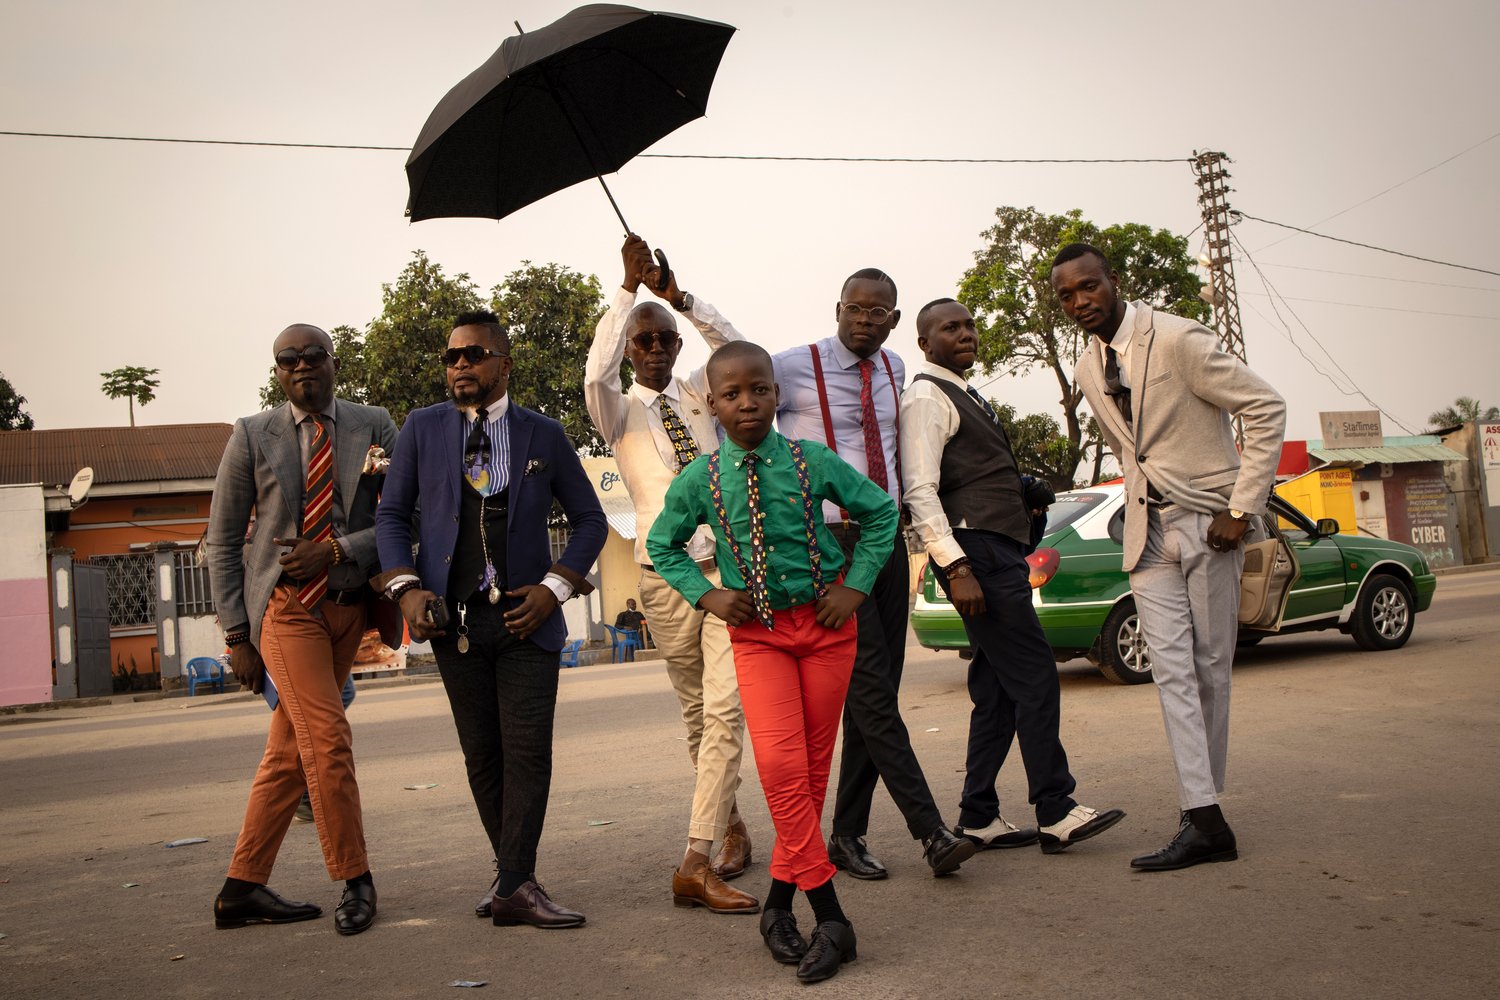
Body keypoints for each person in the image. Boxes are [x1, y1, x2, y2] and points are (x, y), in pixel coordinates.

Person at [648, 340, 899, 983]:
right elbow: (662, 544)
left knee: (809, 776)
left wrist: (856, 585)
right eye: (730, 394)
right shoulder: (700, 478)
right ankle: (832, 914)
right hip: (757, 635)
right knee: (782, 765)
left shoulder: (812, 461)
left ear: (776, 393)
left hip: (825, 627)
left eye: (758, 389)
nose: (747, 402)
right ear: (712, 403)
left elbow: (879, 513)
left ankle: (779, 906)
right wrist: (707, 594)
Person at [1050, 244, 1286, 871]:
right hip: (1146, 533)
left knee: (1210, 666)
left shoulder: (1180, 339)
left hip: (1210, 526)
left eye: (1088, 287)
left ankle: (1204, 814)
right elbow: (1133, 451)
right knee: (1172, 671)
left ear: (1114, 282)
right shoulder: (1085, 369)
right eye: (1067, 296)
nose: (1079, 302)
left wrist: (1241, 508)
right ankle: (1203, 816)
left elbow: (1265, 408)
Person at [374, 310, 607, 925]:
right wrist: (405, 588)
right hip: (454, 623)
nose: (460, 366)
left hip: (527, 622)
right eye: (451, 357)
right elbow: (393, 516)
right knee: (482, 754)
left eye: (474, 354)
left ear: (504, 363)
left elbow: (590, 520)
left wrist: (555, 588)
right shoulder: (422, 429)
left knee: (527, 753)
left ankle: (513, 882)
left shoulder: (544, 434)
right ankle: (513, 878)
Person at [900, 298, 1126, 858]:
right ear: (925, 343)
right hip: (975, 553)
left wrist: (1021, 490)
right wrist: (955, 566)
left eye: (970, 324)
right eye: (950, 328)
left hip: (994, 547)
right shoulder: (927, 395)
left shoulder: (961, 392)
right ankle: (1055, 807)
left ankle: (979, 816)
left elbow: (967, 472)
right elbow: (920, 490)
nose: (966, 333)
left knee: (997, 689)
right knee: (1033, 676)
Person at [771, 269, 974, 880]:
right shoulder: (792, 365)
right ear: (838, 308)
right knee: (870, 692)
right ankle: (931, 832)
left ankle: (847, 834)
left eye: (878, 311)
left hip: (884, 540)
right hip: (828, 547)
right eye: (855, 308)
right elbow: (727, 391)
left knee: (873, 696)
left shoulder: (893, 374)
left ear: (893, 319)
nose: (865, 318)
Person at [204, 323, 399, 936]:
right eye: (289, 360)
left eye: (313, 356)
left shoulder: (375, 425)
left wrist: (338, 550)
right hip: (286, 611)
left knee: (289, 753)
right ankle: (355, 879)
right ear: (278, 371)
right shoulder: (251, 435)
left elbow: (403, 518)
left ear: (333, 363)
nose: (302, 366)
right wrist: (237, 635)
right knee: (328, 738)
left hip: (347, 610)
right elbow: (222, 538)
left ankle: (241, 886)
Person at [585, 235, 758, 915]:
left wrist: (680, 299)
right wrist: (626, 293)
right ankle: (732, 825)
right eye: (644, 341)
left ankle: (696, 852)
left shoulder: (702, 396)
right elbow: (594, 373)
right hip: (666, 577)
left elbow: (741, 352)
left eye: (664, 339)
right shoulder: (616, 412)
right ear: (631, 349)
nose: (655, 348)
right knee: (698, 714)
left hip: (731, 571)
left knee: (724, 709)